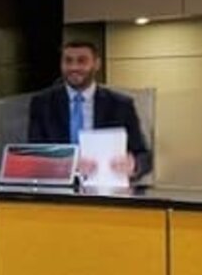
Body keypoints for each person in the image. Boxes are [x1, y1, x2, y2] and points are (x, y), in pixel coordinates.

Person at [26, 40, 153, 182]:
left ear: (97, 64)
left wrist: (134, 164)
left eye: (82, 61)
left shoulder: (121, 105)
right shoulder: (42, 103)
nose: (74, 67)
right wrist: (69, 165)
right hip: (56, 192)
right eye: (68, 61)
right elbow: (34, 154)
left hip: (106, 191)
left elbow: (144, 155)